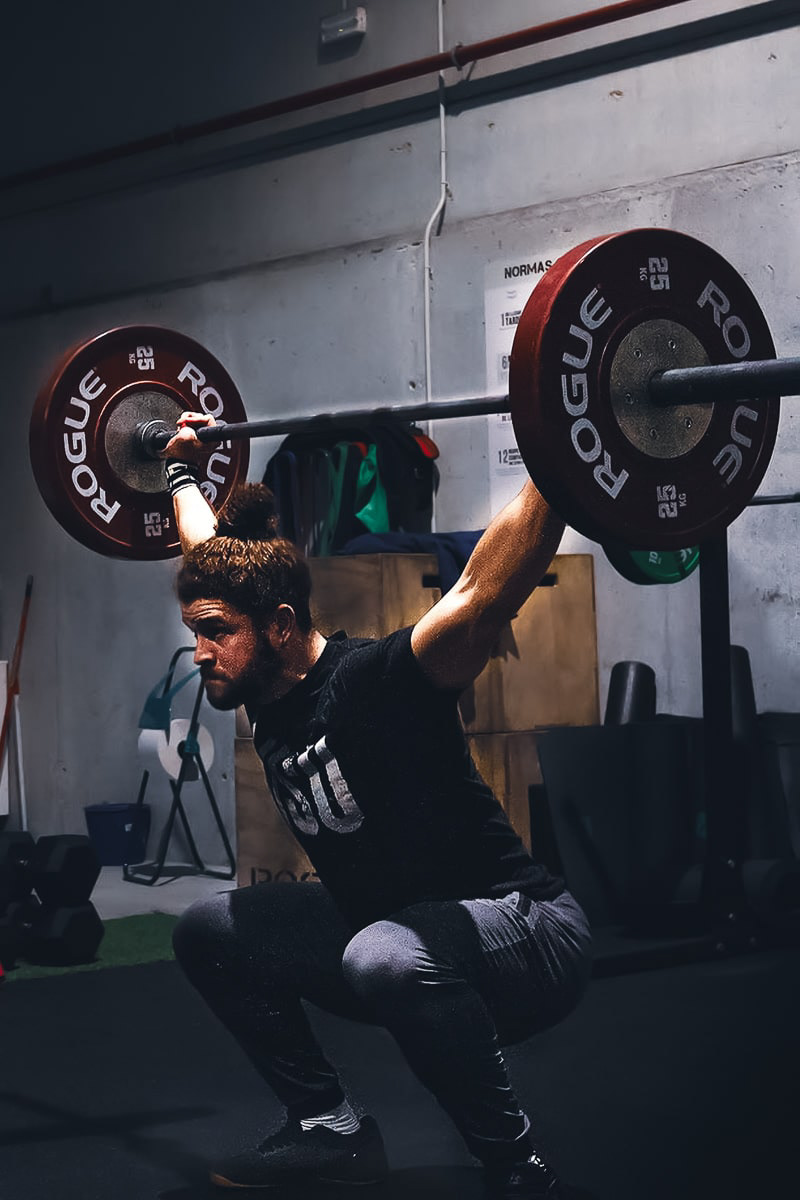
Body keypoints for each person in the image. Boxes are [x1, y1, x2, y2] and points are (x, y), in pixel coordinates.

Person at [163, 413, 592, 1199]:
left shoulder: (377, 682)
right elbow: (205, 551)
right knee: (208, 929)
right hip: (392, 928)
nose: (201, 654)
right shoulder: (263, 684)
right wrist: (181, 471)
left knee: (383, 954)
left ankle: (516, 1164)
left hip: (525, 933)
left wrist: (568, 449)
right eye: (198, 634)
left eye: (215, 634)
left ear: (280, 627)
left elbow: (482, 596)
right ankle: (329, 1128)